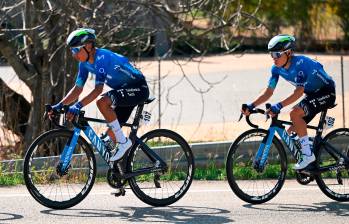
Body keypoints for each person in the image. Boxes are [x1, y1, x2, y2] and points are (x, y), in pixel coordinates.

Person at [49, 28, 149, 162]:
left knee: (102, 102)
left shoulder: (102, 58)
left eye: (76, 50)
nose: (74, 55)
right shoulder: (83, 64)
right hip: (122, 92)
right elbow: (78, 89)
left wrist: (77, 106)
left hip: (138, 88)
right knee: (107, 141)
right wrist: (59, 105)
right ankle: (122, 171)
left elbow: (97, 90)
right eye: (72, 51)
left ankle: (124, 143)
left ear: (88, 46)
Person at [242, 34, 336, 170]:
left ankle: (308, 156)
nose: (274, 58)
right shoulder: (276, 69)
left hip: (326, 92)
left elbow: (298, 92)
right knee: (291, 132)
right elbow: (268, 92)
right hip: (312, 95)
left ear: (289, 52)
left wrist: (279, 106)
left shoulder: (301, 64)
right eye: (271, 55)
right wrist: (251, 106)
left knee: (295, 114)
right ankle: (311, 155)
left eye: (277, 54)